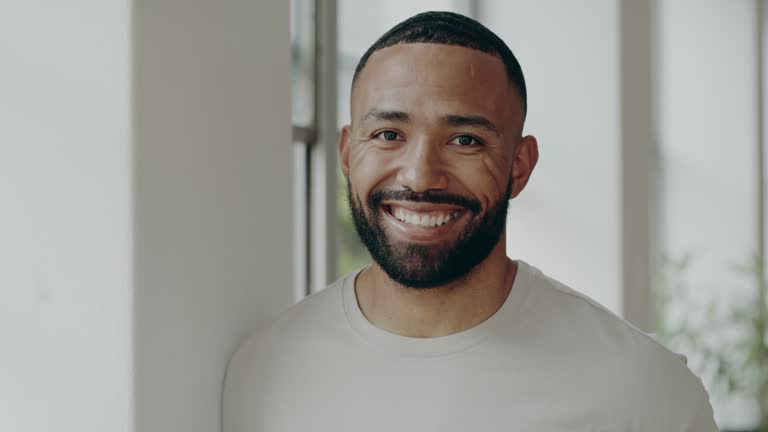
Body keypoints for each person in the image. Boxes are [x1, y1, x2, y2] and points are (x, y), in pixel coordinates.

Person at [223, 11, 717, 431]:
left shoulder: (642, 392)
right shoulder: (262, 371)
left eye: (465, 140)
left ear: (519, 165)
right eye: (389, 133)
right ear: (348, 153)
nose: (419, 176)